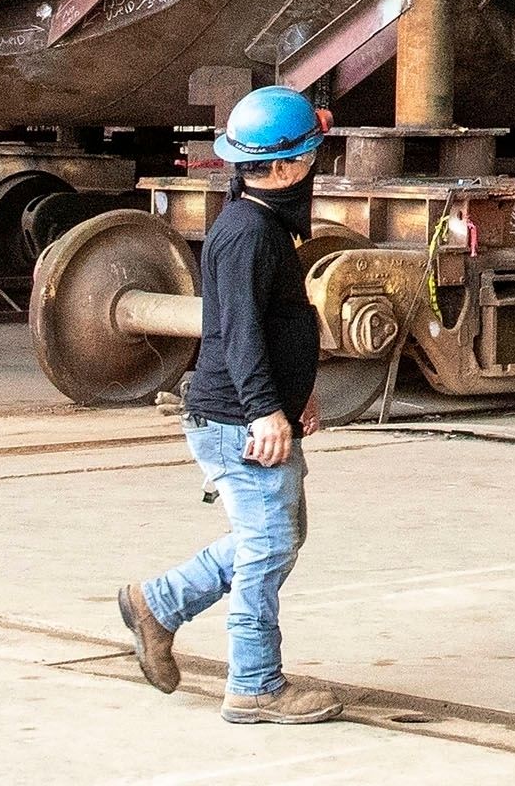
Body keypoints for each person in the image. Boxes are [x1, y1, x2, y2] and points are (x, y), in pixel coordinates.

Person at [119, 87, 340, 724]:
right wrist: (265, 410)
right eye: (309, 154)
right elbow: (237, 331)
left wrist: (298, 395)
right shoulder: (248, 233)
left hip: (252, 410)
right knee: (269, 544)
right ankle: (254, 684)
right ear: (284, 166)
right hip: (235, 420)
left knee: (273, 537)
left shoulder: (261, 223)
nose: (313, 165)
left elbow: (274, 326)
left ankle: (156, 605)